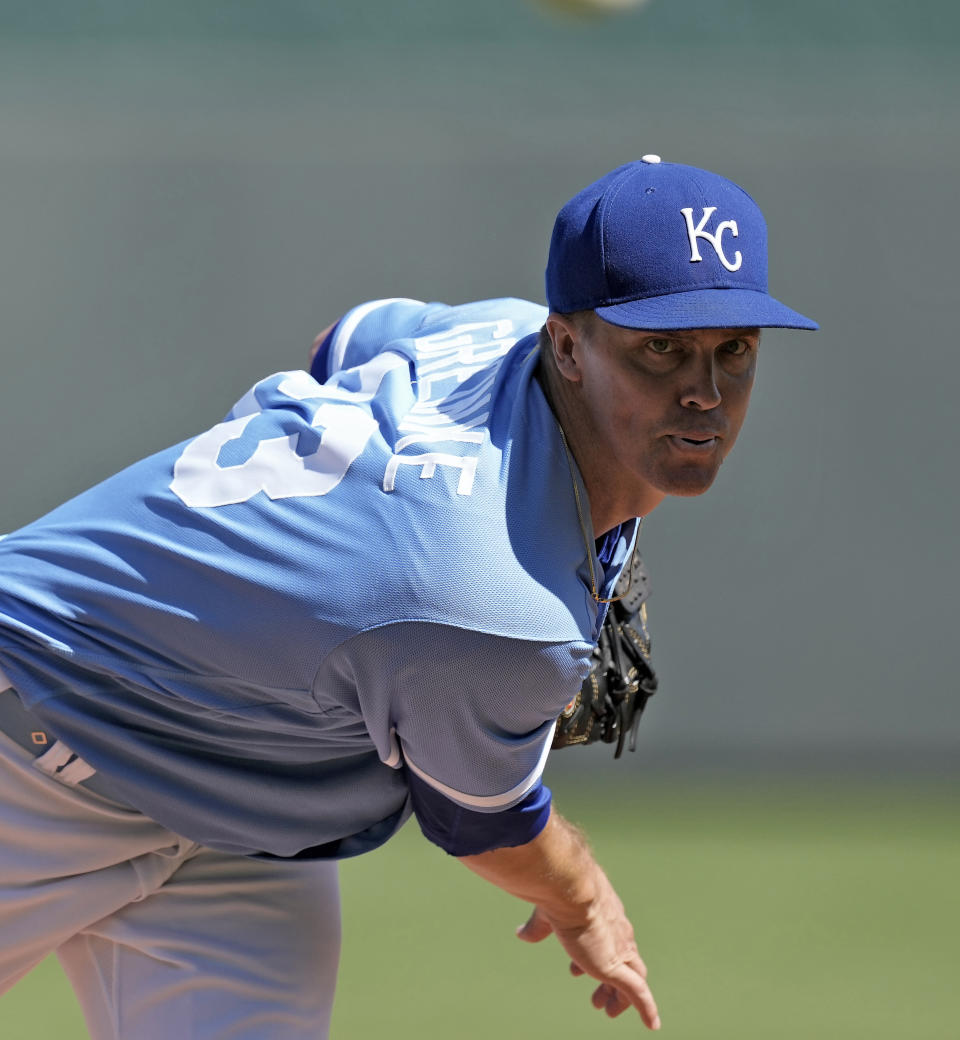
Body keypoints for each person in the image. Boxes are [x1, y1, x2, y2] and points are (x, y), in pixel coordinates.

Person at [0, 155, 817, 1038]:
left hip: (233, 803)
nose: (703, 390)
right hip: (34, 733)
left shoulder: (492, 332)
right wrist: (587, 903)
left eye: (732, 348)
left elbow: (345, 339)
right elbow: (486, 823)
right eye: (660, 346)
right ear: (569, 345)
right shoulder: (491, 603)